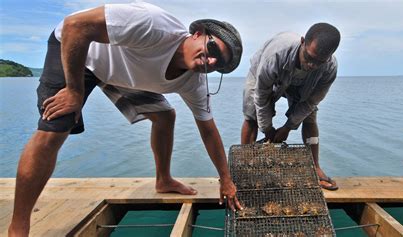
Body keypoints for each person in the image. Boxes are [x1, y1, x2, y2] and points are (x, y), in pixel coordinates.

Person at [8, 2, 243, 236]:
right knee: (54, 130)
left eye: (219, 64)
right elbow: (75, 26)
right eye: (212, 49)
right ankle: (18, 227)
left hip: (120, 74)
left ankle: (164, 180)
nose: (211, 61)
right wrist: (74, 90)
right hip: (79, 52)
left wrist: (225, 180)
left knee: (164, 116)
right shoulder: (154, 26)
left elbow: (209, 131)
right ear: (198, 33)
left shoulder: (194, 83)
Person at [241, 23, 340, 191]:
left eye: (319, 62)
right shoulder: (276, 55)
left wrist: (288, 127)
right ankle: (244, 166)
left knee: (310, 116)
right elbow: (262, 95)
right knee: (252, 115)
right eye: (309, 58)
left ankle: (315, 166)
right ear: (303, 42)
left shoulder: (329, 68)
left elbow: (310, 102)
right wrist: (267, 128)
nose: (311, 65)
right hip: (266, 76)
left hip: (303, 85)